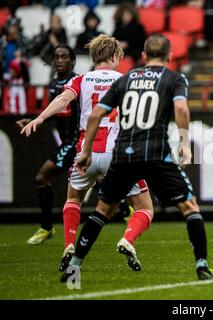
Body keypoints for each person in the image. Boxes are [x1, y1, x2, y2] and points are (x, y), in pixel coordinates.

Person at [60, 33, 213, 282]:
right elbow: (180, 108)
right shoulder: (174, 78)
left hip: (123, 155)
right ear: (169, 56)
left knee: (102, 210)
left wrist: (87, 151)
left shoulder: (127, 78)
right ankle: (202, 268)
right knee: (189, 207)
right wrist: (185, 144)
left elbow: (94, 115)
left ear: (143, 56)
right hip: (155, 153)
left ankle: (73, 270)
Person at [21, 35, 153, 273]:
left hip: (86, 152)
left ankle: (70, 245)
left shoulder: (81, 79)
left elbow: (63, 99)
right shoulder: (126, 80)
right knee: (144, 208)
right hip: (117, 155)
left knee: (73, 200)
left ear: (93, 57)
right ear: (115, 57)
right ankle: (128, 240)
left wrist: (40, 118)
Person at [17, 45, 79, 244]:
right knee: (98, 181)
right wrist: (36, 119)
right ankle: (125, 208)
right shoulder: (54, 85)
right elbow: (56, 111)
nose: (60, 60)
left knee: (43, 176)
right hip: (67, 142)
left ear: (72, 60)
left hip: (77, 141)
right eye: (56, 57)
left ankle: (46, 227)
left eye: (64, 57)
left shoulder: (78, 82)